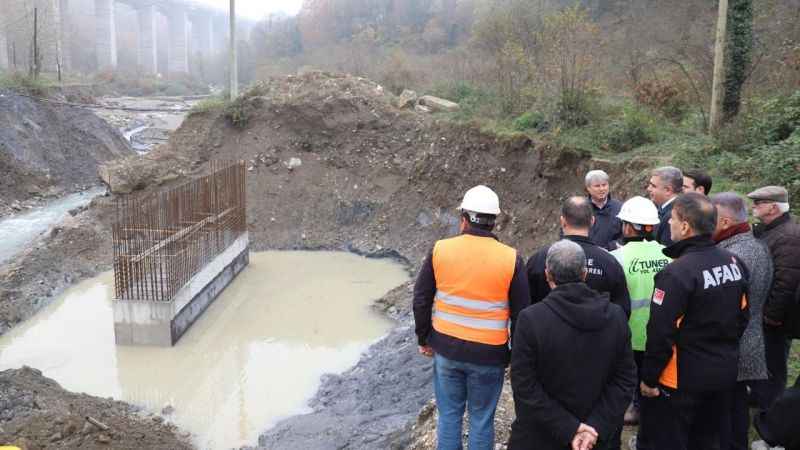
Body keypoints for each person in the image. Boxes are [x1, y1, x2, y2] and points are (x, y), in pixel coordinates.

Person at [413, 185, 530, 450]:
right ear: (494, 221)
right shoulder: (511, 258)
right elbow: (522, 314)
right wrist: (514, 355)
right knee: (481, 420)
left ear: (464, 219)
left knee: (449, 416)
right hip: (489, 355)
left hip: (446, 349)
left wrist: (424, 338)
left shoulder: (441, 249)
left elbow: (421, 299)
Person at [638, 192, 750, 450]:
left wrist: (649, 379)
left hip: (681, 380)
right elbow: (743, 315)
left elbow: (660, 332)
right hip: (722, 372)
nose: (668, 223)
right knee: (709, 439)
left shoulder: (675, 273)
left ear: (686, 226)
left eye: (673, 218)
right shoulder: (734, 262)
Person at [509, 240, 636, 450]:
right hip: (597, 439)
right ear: (584, 274)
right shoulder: (616, 317)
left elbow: (524, 385)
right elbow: (625, 380)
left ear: (548, 275)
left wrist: (570, 428)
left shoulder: (531, 319)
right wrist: (594, 427)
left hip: (542, 436)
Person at [711, 192, 773, 450]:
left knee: (728, 409)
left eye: (711, 218)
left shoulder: (736, 255)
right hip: (746, 337)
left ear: (725, 222)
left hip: (735, 341)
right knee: (734, 404)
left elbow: (725, 306)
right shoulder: (752, 246)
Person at [609, 197, 671, 431]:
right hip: (662, 332)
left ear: (627, 227)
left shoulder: (617, 258)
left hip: (631, 332)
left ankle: (636, 410)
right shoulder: (668, 254)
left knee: (633, 377)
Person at [527, 196, 631, 317]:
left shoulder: (539, 259)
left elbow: (526, 304)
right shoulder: (609, 262)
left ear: (562, 221)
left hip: (546, 326)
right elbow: (622, 311)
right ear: (592, 221)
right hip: (596, 327)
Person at [747, 186, 800, 407]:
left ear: (773, 208)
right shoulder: (770, 230)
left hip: (775, 319)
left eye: (759, 203)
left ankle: (771, 412)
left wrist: (771, 317)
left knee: (773, 366)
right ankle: (760, 400)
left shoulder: (789, 237)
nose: (754, 207)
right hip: (763, 314)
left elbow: (785, 282)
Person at [585, 170, 623, 250]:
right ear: (588, 188)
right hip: (587, 254)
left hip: (613, 254)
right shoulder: (581, 208)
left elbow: (628, 234)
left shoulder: (620, 208)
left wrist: (613, 246)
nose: (601, 189)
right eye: (597, 186)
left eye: (604, 185)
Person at [646, 166, 683, 246]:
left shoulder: (674, 215)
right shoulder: (660, 208)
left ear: (668, 190)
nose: (648, 188)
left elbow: (666, 249)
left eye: (653, 186)